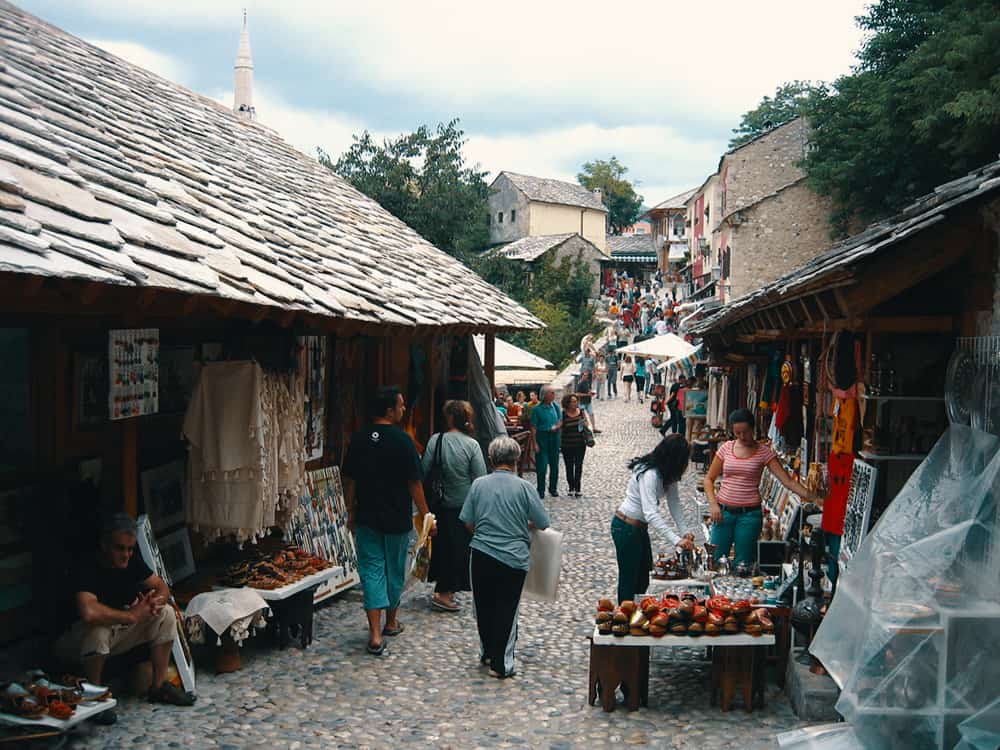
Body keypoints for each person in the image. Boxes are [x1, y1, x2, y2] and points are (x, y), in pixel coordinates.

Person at [54, 513, 195, 721]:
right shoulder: (87, 566)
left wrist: (154, 603)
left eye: (130, 549)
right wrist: (131, 615)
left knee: (165, 614)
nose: (126, 555)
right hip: (74, 641)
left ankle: (157, 687)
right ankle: (95, 699)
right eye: (120, 548)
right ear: (104, 545)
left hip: (117, 631)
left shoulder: (131, 560)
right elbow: (89, 612)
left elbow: (161, 586)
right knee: (99, 631)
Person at [344, 386, 434, 656]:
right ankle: (391, 622)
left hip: (366, 515)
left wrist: (349, 511)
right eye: (401, 405)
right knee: (395, 570)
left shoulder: (359, 439)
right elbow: (414, 483)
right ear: (389, 410)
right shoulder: (403, 441)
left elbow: (350, 479)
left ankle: (374, 634)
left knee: (371, 570)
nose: (404, 409)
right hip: (396, 516)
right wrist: (427, 515)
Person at [462, 437, 551, 679]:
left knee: (483, 605)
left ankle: (488, 652)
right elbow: (543, 522)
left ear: (491, 459)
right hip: (513, 557)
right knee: (507, 608)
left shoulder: (479, 485)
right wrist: (522, 524)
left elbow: (468, 521)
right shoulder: (524, 488)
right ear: (516, 459)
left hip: (481, 553)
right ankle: (502, 664)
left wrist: (483, 534)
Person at [704, 408, 821, 566]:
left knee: (743, 563)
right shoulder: (726, 448)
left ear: (753, 428)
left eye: (745, 432)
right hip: (723, 513)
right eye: (737, 433)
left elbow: (788, 481)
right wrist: (713, 504)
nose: (742, 437)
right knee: (715, 559)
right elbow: (709, 479)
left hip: (749, 516)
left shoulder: (764, 452)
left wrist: (815, 498)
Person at [611, 435, 696, 603]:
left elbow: (674, 502)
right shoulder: (649, 473)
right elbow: (650, 513)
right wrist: (676, 540)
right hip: (626, 527)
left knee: (643, 577)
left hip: (638, 528)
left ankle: (635, 613)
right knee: (629, 580)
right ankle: (624, 618)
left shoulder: (668, 472)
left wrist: (684, 531)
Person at [422, 400, 488, 612]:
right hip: (464, 505)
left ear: (449, 417)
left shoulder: (436, 440)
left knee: (442, 548)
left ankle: (443, 589)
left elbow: (424, 470)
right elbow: (480, 478)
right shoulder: (472, 445)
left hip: (439, 503)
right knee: (458, 550)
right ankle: (444, 593)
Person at [530, 386, 562, 498]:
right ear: (545, 395)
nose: (554, 394)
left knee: (555, 466)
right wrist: (535, 443)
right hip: (542, 437)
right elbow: (533, 427)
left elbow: (560, 420)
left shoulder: (556, 407)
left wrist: (557, 426)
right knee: (542, 466)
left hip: (554, 438)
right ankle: (541, 490)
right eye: (551, 393)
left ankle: (553, 488)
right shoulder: (537, 409)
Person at [560, 393, 589, 497]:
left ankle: (577, 488)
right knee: (569, 466)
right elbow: (560, 427)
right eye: (573, 401)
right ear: (567, 403)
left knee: (578, 465)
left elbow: (586, 424)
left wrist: (584, 423)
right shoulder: (563, 414)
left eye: (576, 401)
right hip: (567, 445)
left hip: (580, 444)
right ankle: (571, 487)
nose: (575, 403)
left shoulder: (581, 412)